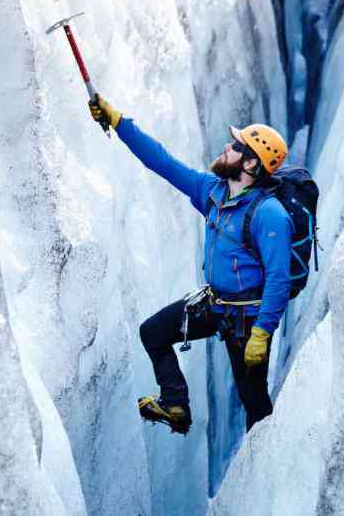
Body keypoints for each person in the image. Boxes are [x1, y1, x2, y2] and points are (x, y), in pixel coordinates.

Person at [89, 95, 293, 434]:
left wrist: (262, 332)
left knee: (254, 400)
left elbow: (279, 279)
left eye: (236, 145)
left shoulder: (270, 214)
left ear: (252, 165)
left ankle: (269, 467)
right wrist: (118, 121)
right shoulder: (213, 192)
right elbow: (164, 163)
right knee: (153, 332)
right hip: (216, 305)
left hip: (248, 320)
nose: (227, 146)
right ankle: (175, 405)